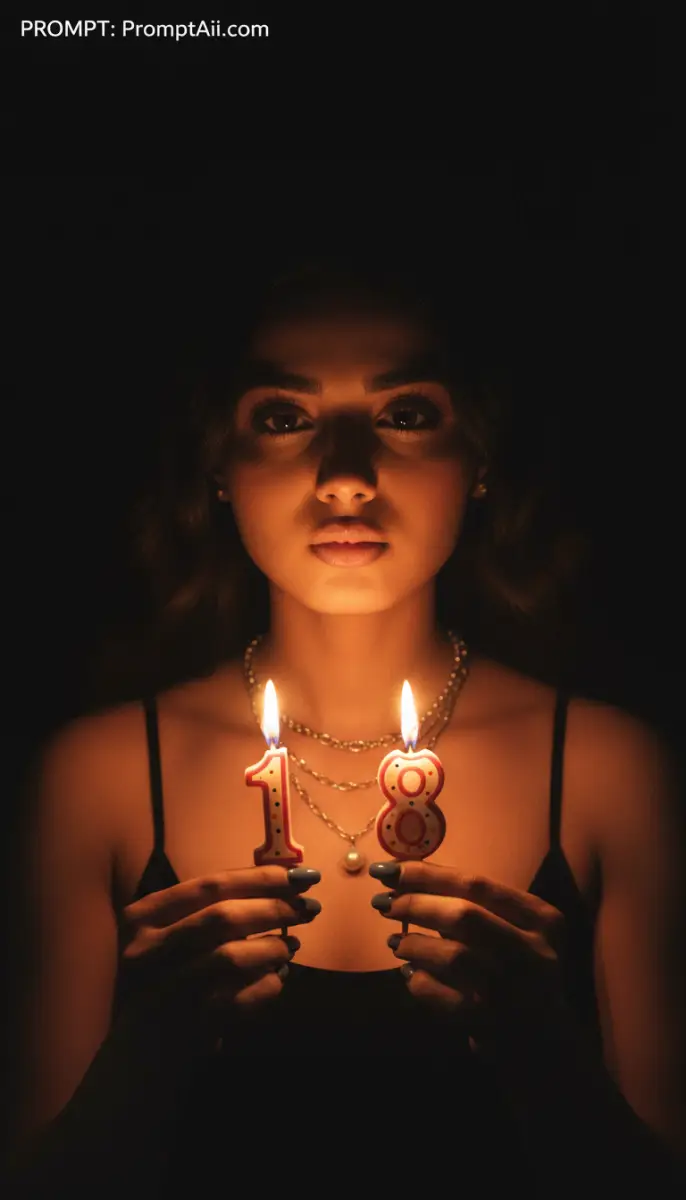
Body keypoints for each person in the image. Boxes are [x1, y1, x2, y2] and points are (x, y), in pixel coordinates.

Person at [5, 255, 685, 1197]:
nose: (346, 478)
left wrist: (552, 1068)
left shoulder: (611, 771)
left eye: (406, 414)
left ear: (479, 455)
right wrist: (139, 1067)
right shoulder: (100, 777)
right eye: (283, 417)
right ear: (218, 462)